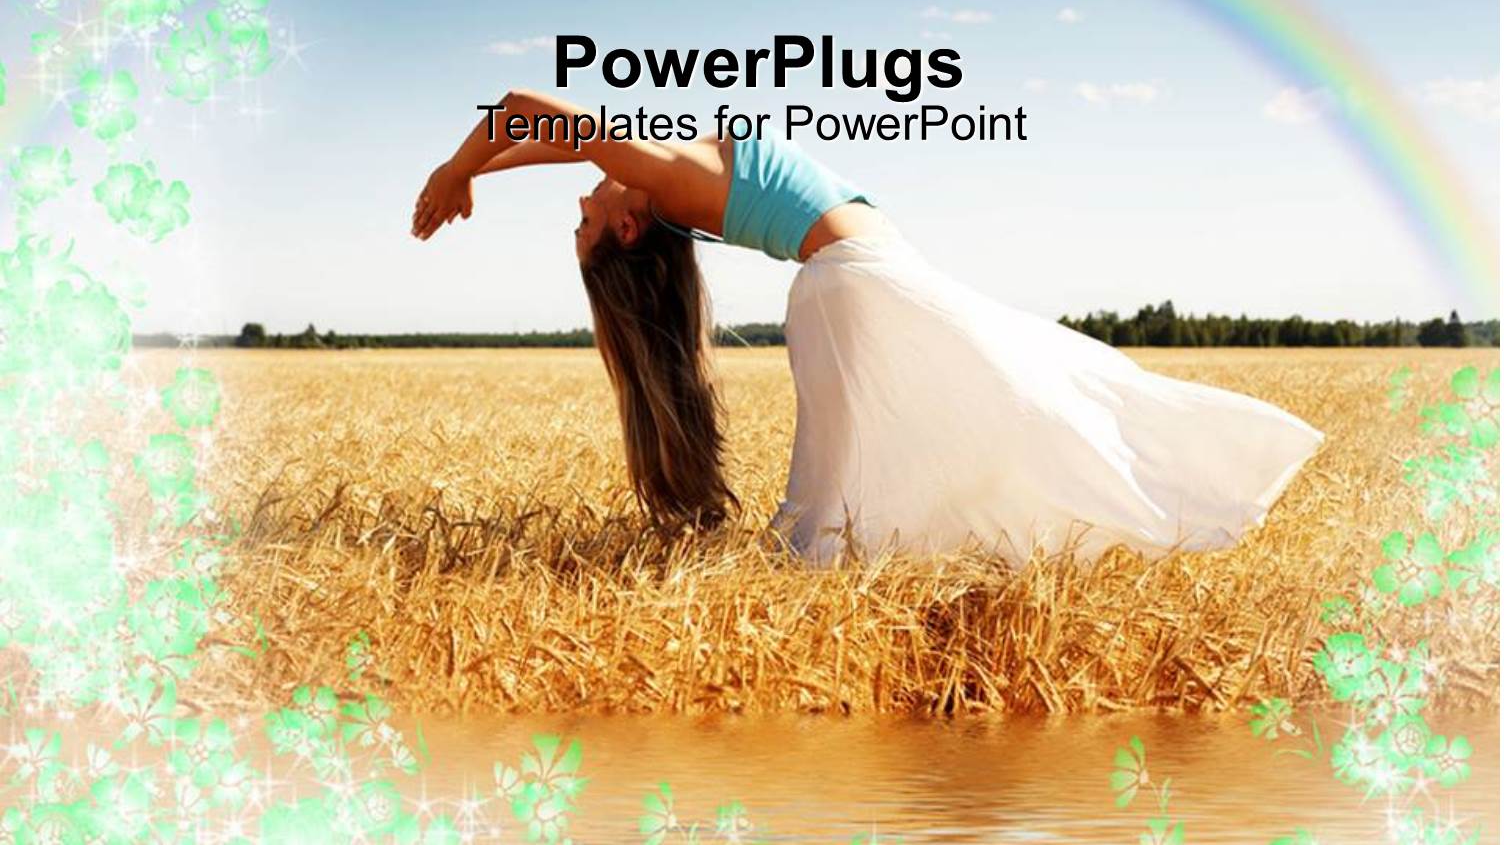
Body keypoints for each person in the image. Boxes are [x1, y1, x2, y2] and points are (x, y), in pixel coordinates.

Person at [412, 88, 1325, 568]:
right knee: (1022, 403)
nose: (582, 192)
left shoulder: (660, 173)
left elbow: (540, 130)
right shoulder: (658, 169)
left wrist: (475, 172)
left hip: (859, 281)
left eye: (579, 203)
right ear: (626, 226)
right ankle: (1154, 499)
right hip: (857, 286)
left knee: (1016, 400)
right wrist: (461, 166)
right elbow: (532, 104)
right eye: (586, 216)